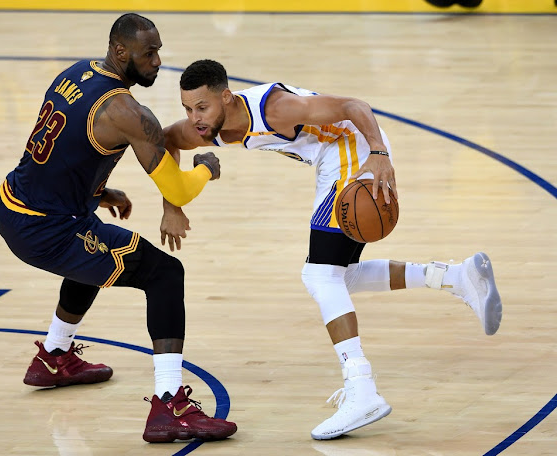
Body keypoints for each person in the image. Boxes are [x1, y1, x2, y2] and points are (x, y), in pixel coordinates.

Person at [161, 59, 503, 440]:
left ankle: (361, 389)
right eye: (187, 109)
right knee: (342, 277)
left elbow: (354, 107)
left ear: (226, 96)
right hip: (333, 162)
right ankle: (457, 277)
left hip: (355, 154)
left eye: (202, 107)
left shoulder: (275, 109)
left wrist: (379, 154)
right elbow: (165, 141)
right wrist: (172, 204)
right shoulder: (209, 128)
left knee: (320, 275)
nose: (194, 118)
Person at [0, 15, 236, 443]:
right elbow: (178, 187)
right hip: (44, 228)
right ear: (121, 52)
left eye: (159, 50)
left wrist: (100, 192)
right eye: (150, 53)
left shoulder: (75, 73)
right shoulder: (128, 112)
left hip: (14, 202)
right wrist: (205, 170)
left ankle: (54, 357)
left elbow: (57, 150)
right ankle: (169, 406)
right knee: (164, 273)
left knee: (96, 245)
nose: (159, 61)